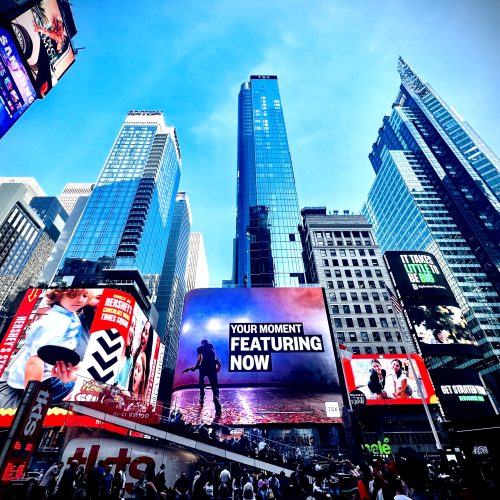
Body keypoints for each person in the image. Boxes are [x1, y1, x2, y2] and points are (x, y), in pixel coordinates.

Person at [0, 288, 94, 407]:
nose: (80, 299)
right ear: (58, 295)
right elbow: (35, 361)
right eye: (73, 295)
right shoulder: (55, 321)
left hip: (50, 378)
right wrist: (31, 401)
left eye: (85, 296)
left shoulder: (70, 316)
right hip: (37, 383)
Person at [185, 339, 221, 416]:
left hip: (203, 367)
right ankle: (215, 397)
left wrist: (194, 367)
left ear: (202, 343)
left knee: (201, 381)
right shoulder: (211, 348)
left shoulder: (200, 349)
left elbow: (199, 359)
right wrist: (218, 366)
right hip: (212, 368)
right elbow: (216, 358)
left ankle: (202, 396)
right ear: (207, 343)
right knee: (214, 385)